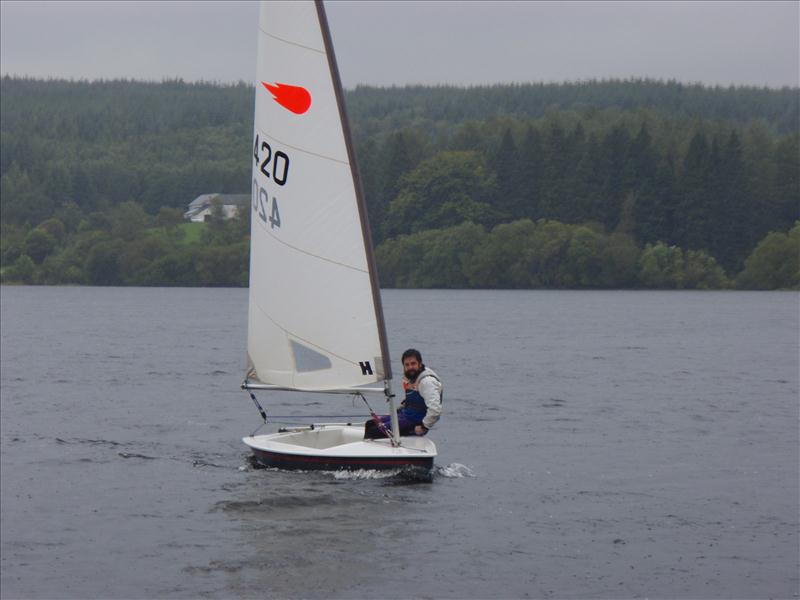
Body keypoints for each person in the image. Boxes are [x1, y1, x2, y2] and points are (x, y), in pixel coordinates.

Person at [364, 348, 442, 439]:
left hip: (415, 423)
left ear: (420, 364)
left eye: (413, 364)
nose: (410, 367)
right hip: (406, 415)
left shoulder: (427, 382)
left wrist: (424, 426)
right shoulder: (412, 377)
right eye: (407, 365)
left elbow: (435, 409)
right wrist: (403, 406)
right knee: (370, 424)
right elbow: (417, 398)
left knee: (373, 431)